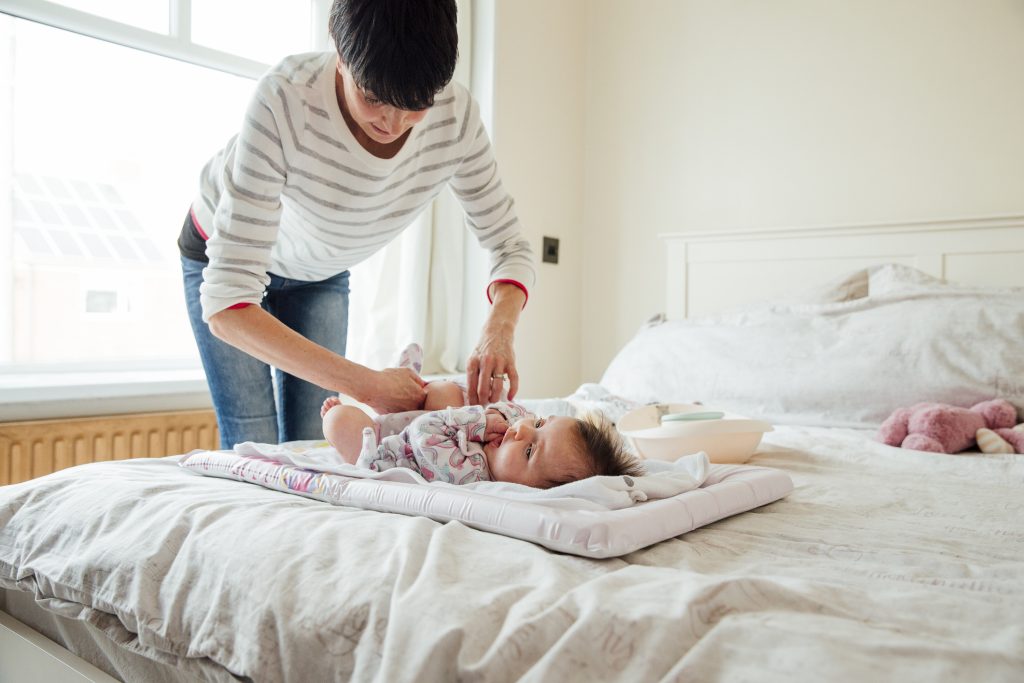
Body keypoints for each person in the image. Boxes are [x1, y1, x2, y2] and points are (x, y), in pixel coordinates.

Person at [178, 0, 534, 449]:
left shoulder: (455, 118)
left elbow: (510, 246)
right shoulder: (286, 97)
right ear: (338, 49)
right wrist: (368, 385)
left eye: (416, 106)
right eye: (372, 98)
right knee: (254, 442)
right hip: (223, 258)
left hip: (321, 269)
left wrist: (497, 331)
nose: (393, 123)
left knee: (315, 443)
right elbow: (228, 304)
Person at [320, 399, 645, 488]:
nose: (520, 431)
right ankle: (394, 406)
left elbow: (425, 432)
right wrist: (498, 416)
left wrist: (478, 421)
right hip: (427, 427)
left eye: (530, 451)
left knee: (339, 421)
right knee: (447, 391)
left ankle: (376, 418)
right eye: (541, 423)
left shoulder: (468, 474)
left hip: (388, 451)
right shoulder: (510, 438)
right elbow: (518, 412)